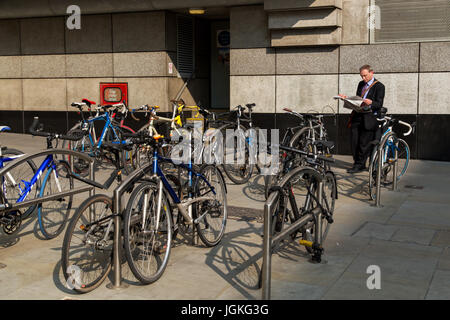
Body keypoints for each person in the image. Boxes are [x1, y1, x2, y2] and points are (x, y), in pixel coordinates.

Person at [339, 65, 385, 173]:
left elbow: (379, 103)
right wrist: (347, 99)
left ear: (371, 72)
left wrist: (371, 103)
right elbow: (358, 99)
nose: (363, 78)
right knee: (354, 141)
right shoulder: (361, 84)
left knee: (364, 143)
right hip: (357, 115)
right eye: (361, 76)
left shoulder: (379, 86)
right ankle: (358, 163)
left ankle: (359, 165)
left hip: (369, 117)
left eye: (365, 75)